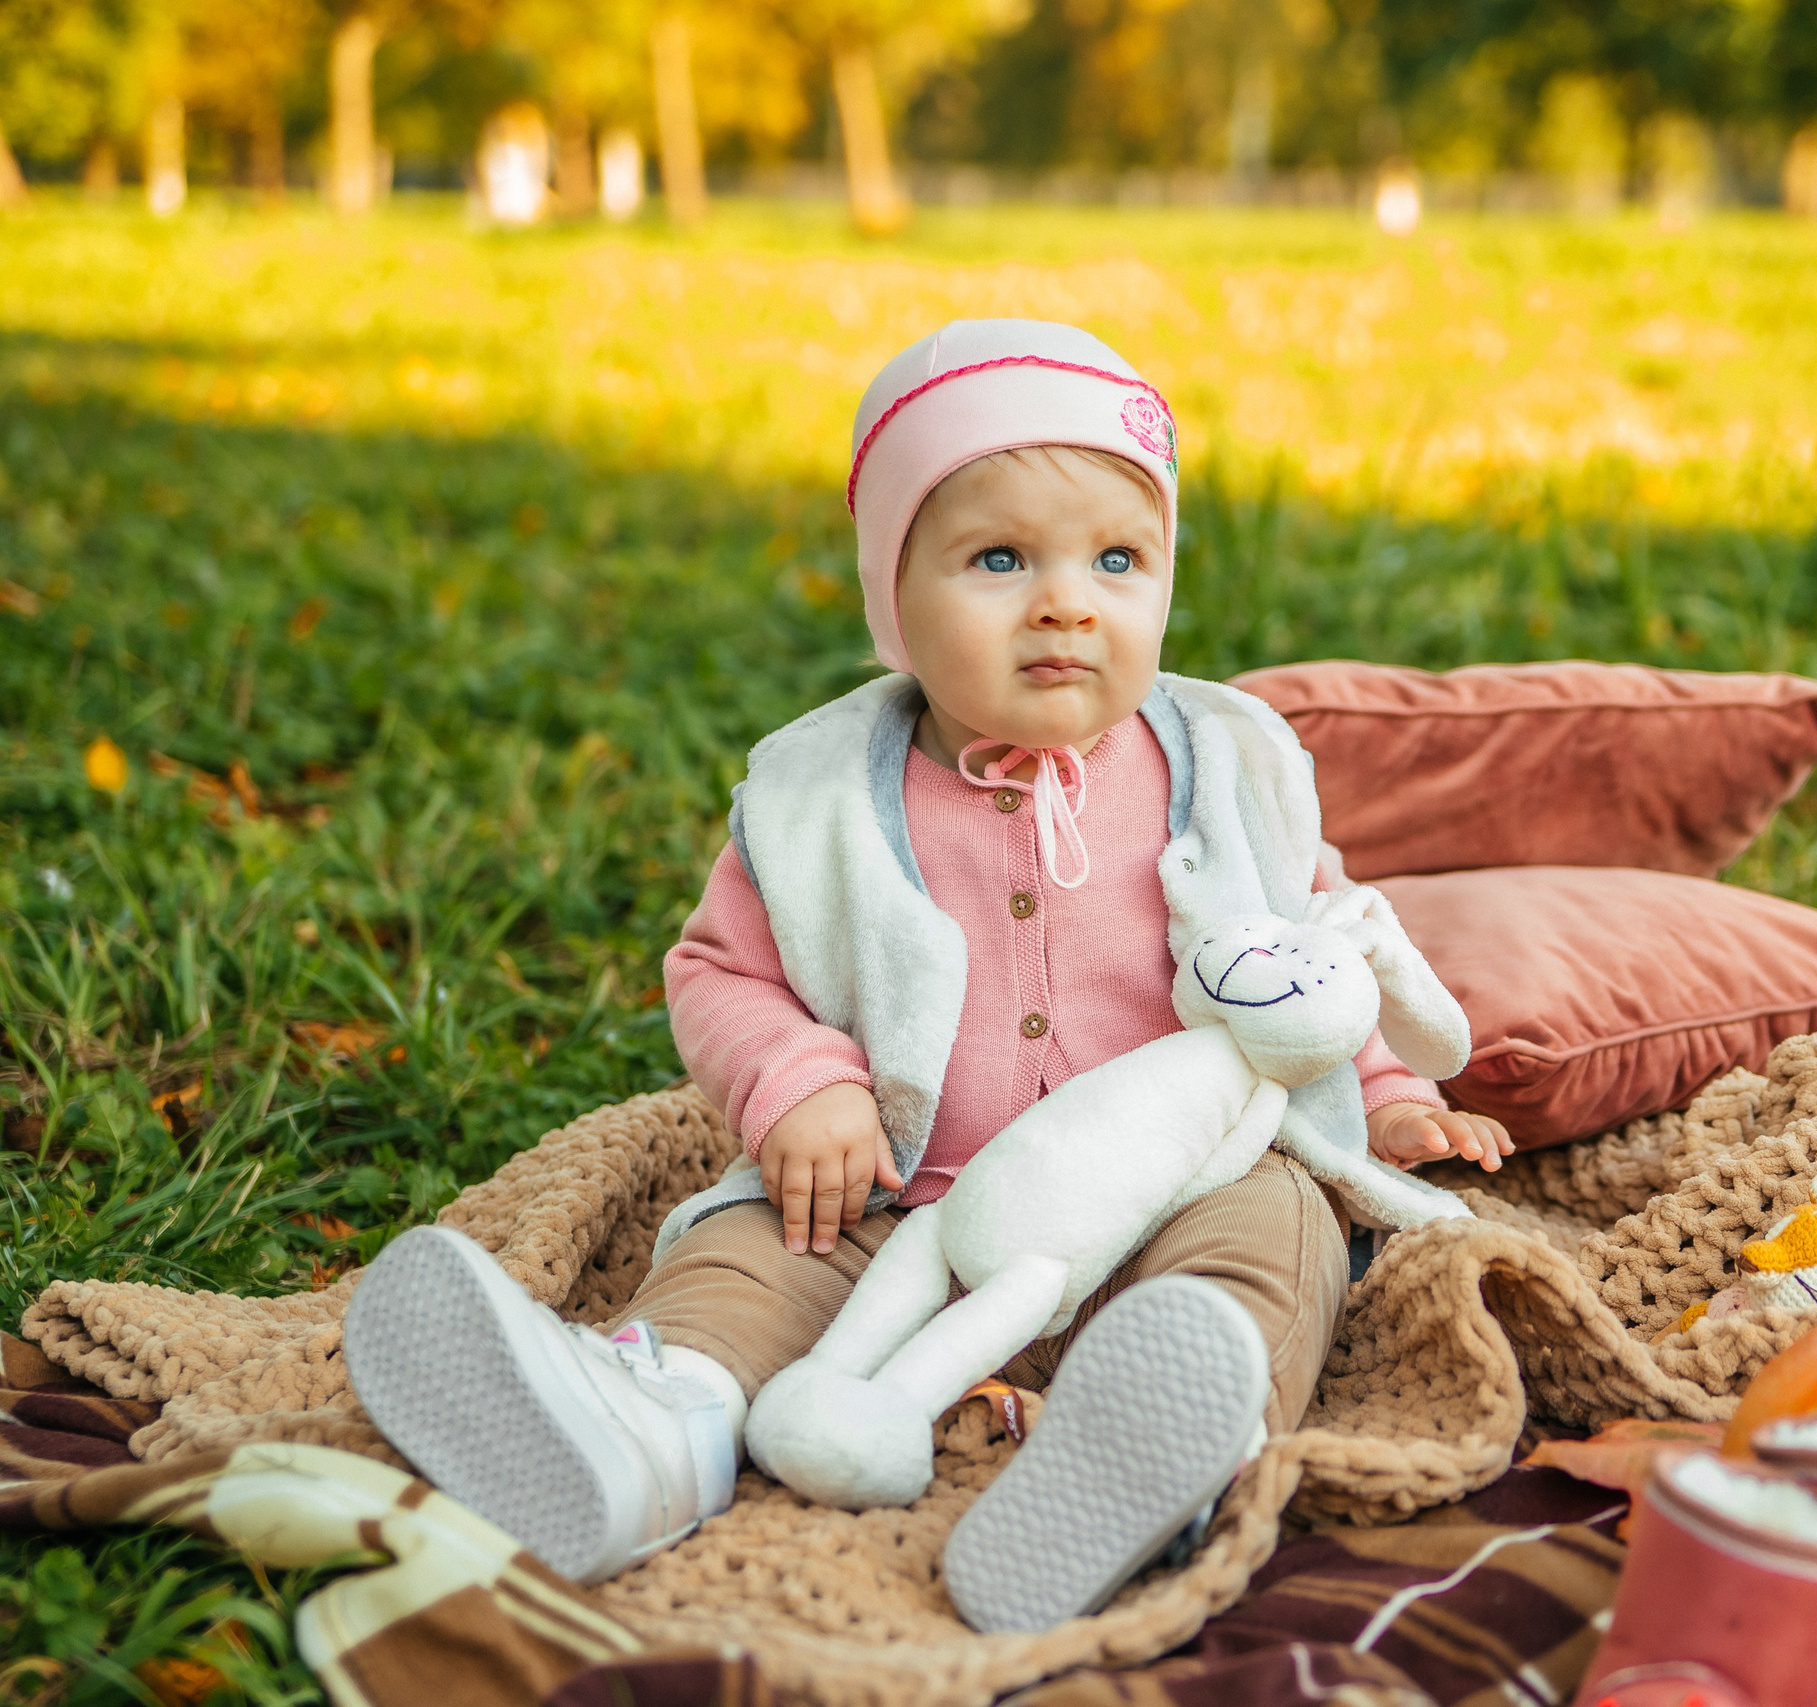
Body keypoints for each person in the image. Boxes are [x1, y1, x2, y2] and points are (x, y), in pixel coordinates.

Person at [344, 318, 1512, 1627]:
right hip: (911, 1197)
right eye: (999, 557)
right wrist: (800, 1086)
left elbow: (1309, 953)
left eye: (1118, 559)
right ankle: (652, 1423)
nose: (1067, 600)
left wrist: (1391, 1091)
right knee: (762, 1249)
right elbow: (719, 969)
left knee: (1276, 1236)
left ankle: (1175, 1431)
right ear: (891, 599)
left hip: (1180, 1187)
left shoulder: (1225, 767)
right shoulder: (827, 800)